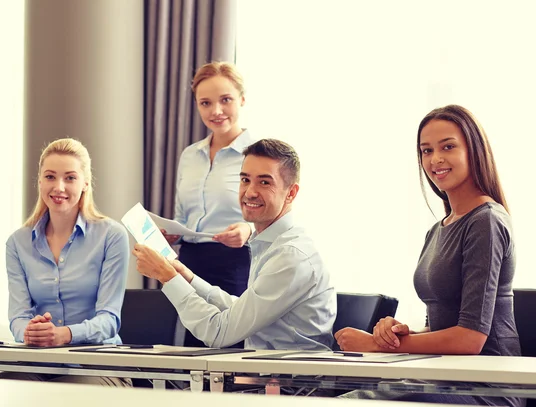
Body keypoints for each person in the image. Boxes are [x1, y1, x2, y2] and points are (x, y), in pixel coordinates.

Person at [335, 105, 523, 406]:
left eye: (448, 146)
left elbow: (470, 339)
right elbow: (439, 328)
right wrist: (397, 334)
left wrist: (378, 345)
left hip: (487, 387)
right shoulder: (439, 229)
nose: (435, 159)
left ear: (473, 150)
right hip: (445, 376)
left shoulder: (485, 221)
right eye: (426, 150)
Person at [134, 139, 336, 350]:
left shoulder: (290, 255)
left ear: (291, 193)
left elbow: (219, 332)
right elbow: (240, 310)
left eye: (264, 182)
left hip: (286, 381)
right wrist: (187, 278)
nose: (249, 192)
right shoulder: (271, 243)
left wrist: (167, 277)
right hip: (262, 375)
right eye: (245, 180)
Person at [4, 138, 131, 386]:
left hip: (99, 367)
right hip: (40, 364)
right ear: (39, 181)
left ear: (85, 183)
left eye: (70, 178)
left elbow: (108, 320)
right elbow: (18, 316)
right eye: (50, 177)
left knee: (67, 395)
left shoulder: (111, 236)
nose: (59, 187)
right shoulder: (17, 243)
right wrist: (30, 332)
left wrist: (63, 335)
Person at [165, 61, 255, 299]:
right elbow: (182, 215)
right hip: (187, 263)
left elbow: (279, 219)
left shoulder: (258, 156)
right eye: (206, 103)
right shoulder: (189, 155)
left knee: (230, 334)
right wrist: (172, 232)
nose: (216, 111)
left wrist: (248, 229)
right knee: (182, 335)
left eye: (225, 100)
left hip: (236, 264)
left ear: (242, 99)